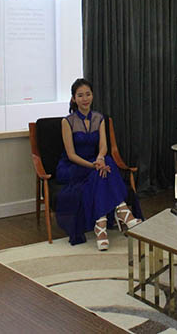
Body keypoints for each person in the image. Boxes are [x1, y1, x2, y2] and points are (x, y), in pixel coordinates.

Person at [55, 78, 140, 250]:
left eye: (88, 94)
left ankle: (101, 224)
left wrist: (99, 159)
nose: (85, 98)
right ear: (74, 99)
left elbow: (103, 147)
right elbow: (71, 155)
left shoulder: (99, 118)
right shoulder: (67, 121)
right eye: (80, 95)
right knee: (103, 169)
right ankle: (122, 212)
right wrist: (93, 165)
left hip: (95, 162)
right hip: (74, 166)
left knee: (107, 161)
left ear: (92, 95)